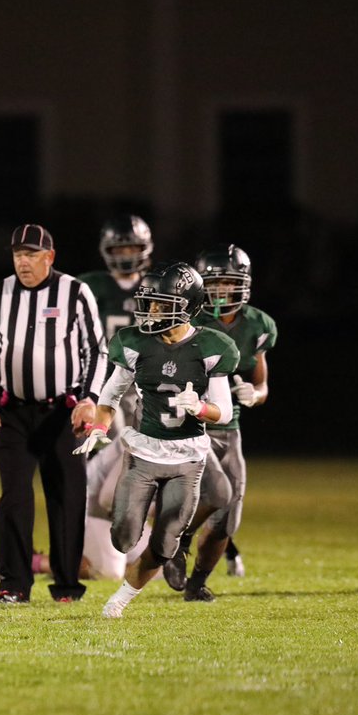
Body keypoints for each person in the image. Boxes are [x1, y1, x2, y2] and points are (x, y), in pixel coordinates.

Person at [73, 262, 239, 618]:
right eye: (150, 303)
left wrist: (200, 408)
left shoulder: (211, 347)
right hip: (145, 450)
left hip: (188, 456)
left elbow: (224, 412)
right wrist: (99, 428)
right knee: (123, 536)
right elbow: (110, 396)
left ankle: (120, 600)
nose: (152, 311)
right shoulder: (135, 344)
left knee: (165, 543)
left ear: (187, 307)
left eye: (162, 304)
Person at [0, 224, 105, 603]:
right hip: (12, 411)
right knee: (14, 495)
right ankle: (13, 584)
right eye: (18, 255)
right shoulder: (0, 292)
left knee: (66, 496)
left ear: (50, 257)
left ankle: (67, 586)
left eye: (31, 255)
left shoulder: (75, 292)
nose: (23, 263)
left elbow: (97, 350)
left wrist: (89, 399)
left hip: (62, 412)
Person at [172, 245, 276, 598]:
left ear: (242, 284)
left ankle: (197, 584)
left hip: (229, 427)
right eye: (213, 284)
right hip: (191, 425)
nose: (220, 291)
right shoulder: (188, 321)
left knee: (229, 518)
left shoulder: (258, 325)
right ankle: (178, 537)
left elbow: (262, 385)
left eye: (227, 283)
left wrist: (254, 394)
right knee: (217, 494)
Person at [74, 215, 156, 579]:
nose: (125, 256)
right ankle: (81, 542)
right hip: (103, 389)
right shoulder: (90, 287)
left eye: (131, 248)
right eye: (119, 249)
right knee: (108, 462)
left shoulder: (157, 287)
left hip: (145, 390)